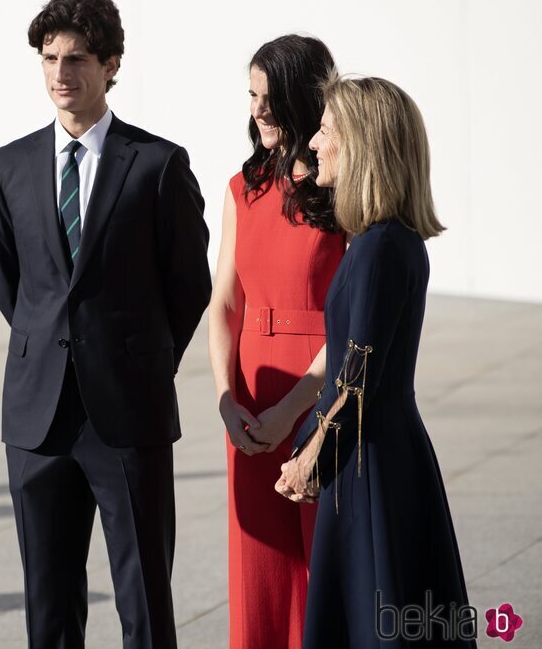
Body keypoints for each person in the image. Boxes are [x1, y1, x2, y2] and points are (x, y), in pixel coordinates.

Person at [0, 0, 212, 648]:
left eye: (76, 58)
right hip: (35, 418)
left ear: (112, 65)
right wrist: (50, 347)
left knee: (142, 599)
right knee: (47, 604)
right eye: (49, 58)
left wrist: (136, 359)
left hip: (127, 411)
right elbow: (12, 285)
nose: (59, 73)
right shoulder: (8, 166)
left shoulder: (159, 165)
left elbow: (188, 286)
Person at [276, 76, 475, 648]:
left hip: (370, 464)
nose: (313, 142)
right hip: (372, 454)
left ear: (361, 144)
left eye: (326, 130)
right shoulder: (381, 241)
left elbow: (355, 379)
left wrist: (309, 459)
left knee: (377, 617)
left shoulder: (382, 247)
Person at [207, 35, 344, 649]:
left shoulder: (344, 188)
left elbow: (351, 319)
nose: (259, 110)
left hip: (322, 395)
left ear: (303, 98)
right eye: (253, 96)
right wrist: (225, 401)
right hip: (251, 401)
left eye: (271, 96)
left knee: (322, 566)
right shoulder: (242, 187)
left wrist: (292, 412)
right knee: (258, 574)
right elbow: (224, 304)